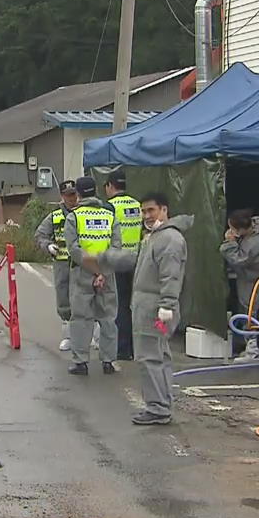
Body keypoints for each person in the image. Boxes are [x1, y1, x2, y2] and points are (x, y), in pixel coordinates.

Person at [83, 192, 190, 424]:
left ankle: (158, 408)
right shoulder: (154, 237)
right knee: (158, 355)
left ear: (164, 209)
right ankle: (162, 403)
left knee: (150, 357)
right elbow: (136, 260)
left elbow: (170, 276)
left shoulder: (169, 240)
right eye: (143, 211)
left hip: (156, 309)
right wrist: (106, 257)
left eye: (151, 210)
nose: (147, 216)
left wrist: (167, 305)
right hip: (151, 307)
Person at [64, 176, 121, 376]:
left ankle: (81, 362)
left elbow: (74, 249)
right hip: (107, 274)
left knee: (81, 318)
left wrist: (94, 271)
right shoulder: (109, 215)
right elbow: (116, 247)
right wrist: (103, 272)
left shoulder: (74, 217)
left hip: (82, 273)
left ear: (78, 193)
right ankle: (108, 361)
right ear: (96, 190)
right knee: (108, 318)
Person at [220, 208, 259, 360]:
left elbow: (239, 259)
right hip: (249, 282)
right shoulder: (251, 236)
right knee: (250, 314)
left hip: (257, 284)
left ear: (241, 229)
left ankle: (255, 351)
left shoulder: (255, 242)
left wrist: (229, 243)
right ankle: (253, 347)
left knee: (256, 316)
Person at [35, 180, 80, 351]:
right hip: (62, 264)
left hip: (83, 263)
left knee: (88, 298)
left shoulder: (83, 213)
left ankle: (94, 336)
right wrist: (47, 245)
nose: (72, 198)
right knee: (64, 299)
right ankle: (68, 336)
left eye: (74, 194)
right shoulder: (54, 217)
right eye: (68, 195)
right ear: (62, 197)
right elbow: (40, 234)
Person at [104, 173, 141, 361]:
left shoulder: (111, 206)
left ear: (110, 186)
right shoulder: (136, 204)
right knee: (132, 305)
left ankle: (122, 348)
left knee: (119, 305)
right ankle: (134, 348)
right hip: (135, 259)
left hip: (118, 261)